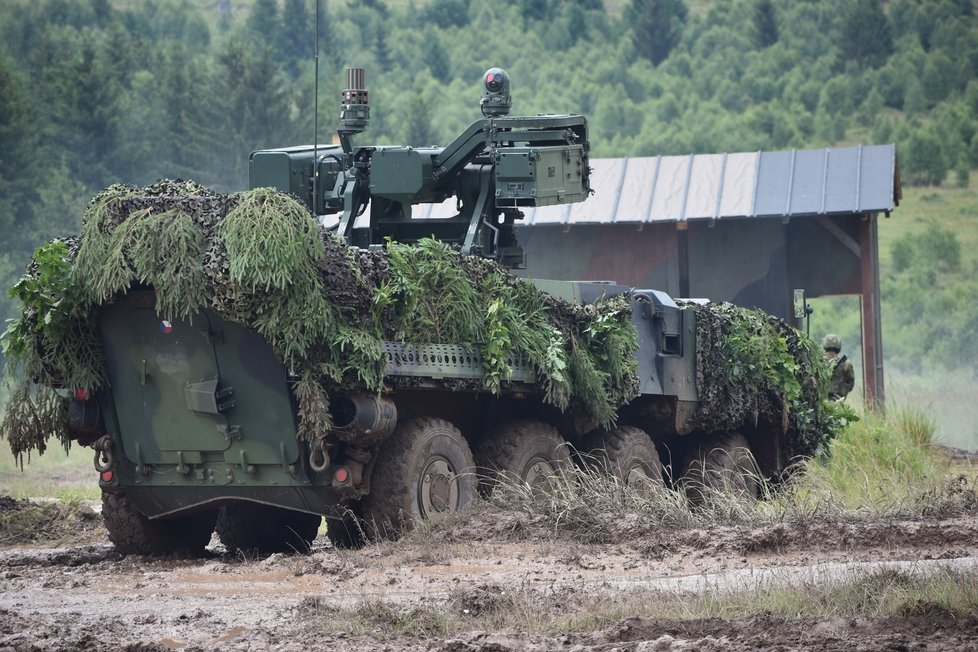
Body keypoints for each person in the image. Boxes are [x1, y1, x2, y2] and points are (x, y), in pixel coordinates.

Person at [821, 333, 854, 400]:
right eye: (829, 349)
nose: (831, 352)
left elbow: (850, 383)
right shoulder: (846, 364)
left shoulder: (818, 362)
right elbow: (850, 384)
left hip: (828, 400)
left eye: (833, 350)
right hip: (830, 400)